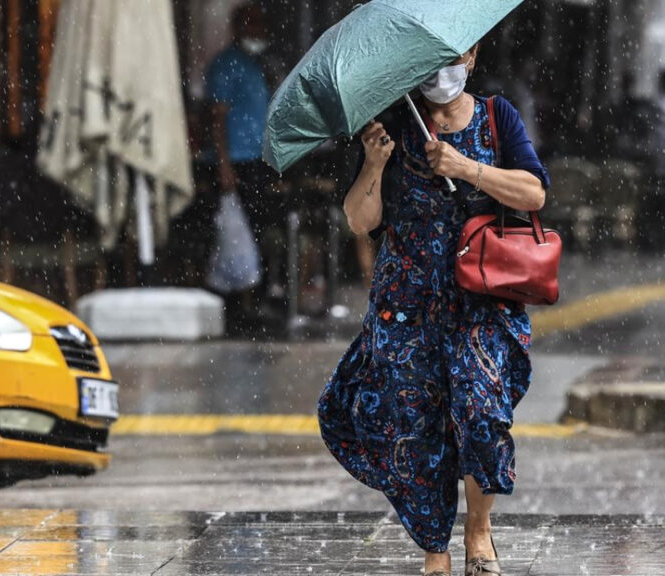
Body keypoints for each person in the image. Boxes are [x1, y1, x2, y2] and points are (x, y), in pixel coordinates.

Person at [318, 44, 549, 576]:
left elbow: (533, 193)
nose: (441, 71)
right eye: (429, 60)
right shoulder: (396, 122)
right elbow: (359, 219)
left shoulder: (496, 117)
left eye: (453, 58)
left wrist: (467, 168)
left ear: (471, 59)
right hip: (408, 302)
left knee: (482, 412)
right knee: (414, 428)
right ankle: (435, 553)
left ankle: (478, 530)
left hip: (480, 296)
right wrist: (374, 163)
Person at [206, 2, 281, 333]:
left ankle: (256, 300)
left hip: (257, 158)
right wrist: (224, 167)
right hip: (236, 161)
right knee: (237, 234)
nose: (258, 33)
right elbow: (216, 118)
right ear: (238, 29)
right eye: (252, 26)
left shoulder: (257, 64)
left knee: (259, 231)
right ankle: (237, 307)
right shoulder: (225, 65)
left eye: (261, 27)